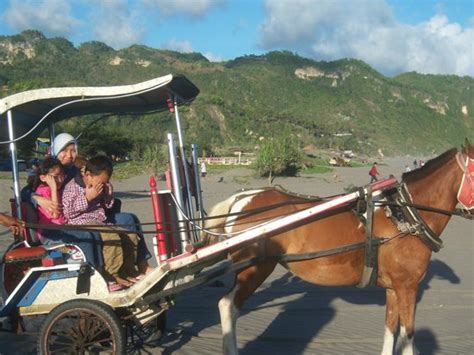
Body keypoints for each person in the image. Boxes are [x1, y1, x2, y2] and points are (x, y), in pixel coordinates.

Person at [62, 155, 141, 287]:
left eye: (105, 182)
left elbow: (106, 207)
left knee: (131, 235)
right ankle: (112, 274)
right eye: (100, 182)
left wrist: (109, 197)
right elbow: (68, 213)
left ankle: (128, 270)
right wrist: (87, 198)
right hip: (80, 222)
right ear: (87, 175)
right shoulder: (72, 187)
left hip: (100, 221)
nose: (102, 185)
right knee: (111, 237)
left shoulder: (101, 185)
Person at [28, 157, 66, 242]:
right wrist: (53, 188)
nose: (60, 180)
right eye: (55, 177)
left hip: (61, 228)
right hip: (48, 232)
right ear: (43, 178)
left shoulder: (59, 190)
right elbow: (55, 215)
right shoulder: (43, 191)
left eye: (62, 175)